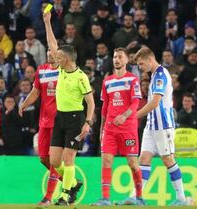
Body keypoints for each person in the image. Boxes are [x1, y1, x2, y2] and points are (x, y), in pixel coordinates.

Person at [43, 11, 95, 205]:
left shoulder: (80, 76)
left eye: (59, 57)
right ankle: (73, 182)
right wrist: (47, 23)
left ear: (67, 59)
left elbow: (90, 102)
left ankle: (65, 195)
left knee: (68, 158)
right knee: (54, 161)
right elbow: (52, 44)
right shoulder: (62, 70)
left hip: (75, 119)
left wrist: (88, 123)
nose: (55, 58)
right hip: (60, 118)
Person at [19, 49, 82, 205]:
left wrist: (47, 23)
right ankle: (72, 183)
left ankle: (48, 197)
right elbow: (35, 91)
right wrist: (24, 104)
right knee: (43, 158)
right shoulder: (41, 70)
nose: (49, 55)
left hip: (60, 120)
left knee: (56, 160)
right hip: (44, 121)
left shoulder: (63, 70)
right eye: (47, 52)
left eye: (52, 52)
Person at [92, 48, 145, 206]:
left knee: (132, 162)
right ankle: (105, 198)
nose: (117, 59)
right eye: (115, 57)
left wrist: (124, 115)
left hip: (128, 130)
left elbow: (136, 102)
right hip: (109, 129)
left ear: (127, 60)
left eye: (120, 57)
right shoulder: (107, 81)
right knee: (106, 161)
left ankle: (140, 197)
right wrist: (101, 129)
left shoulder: (133, 80)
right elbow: (104, 107)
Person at [134, 47, 187, 206]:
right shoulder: (154, 75)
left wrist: (134, 116)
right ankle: (137, 198)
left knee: (168, 159)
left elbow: (155, 102)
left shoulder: (161, 75)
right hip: (151, 126)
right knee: (143, 158)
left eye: (141, 64)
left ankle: (181, 198)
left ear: (150, 60)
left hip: (163, 126)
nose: (140, 68)